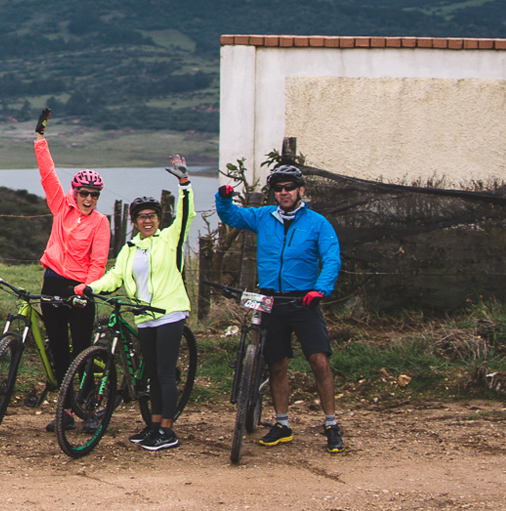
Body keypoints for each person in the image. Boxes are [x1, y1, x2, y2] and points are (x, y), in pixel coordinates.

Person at [216, 164, 345, 453]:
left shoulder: (317, 223)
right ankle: (283, 424)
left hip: (304, 300)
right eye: (279, 188)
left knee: (319, 361)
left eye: (289, 187)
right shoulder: (263, 217)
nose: (284, 192)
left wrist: (319, 290)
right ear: (274, 193)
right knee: (277, 363)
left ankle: (331, 423)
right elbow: (232, 216)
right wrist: (223, 199)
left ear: (301, 190)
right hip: (271, 299)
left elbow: (331, 258)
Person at [77, 158, 193, 451]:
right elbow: (115, 276)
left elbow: (186, 216)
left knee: (164, 373)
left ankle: (168, 431)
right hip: (144, 318)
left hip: (169, 313)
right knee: (153, 373)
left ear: (158, 218)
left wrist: (184, 185)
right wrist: (90, 287)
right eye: (142, 217)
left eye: (152, 215)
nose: (148, 220)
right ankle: (154, 425)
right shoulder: (129, 250)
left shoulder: (169, 239)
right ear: (135, 221)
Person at [34, 116, 108, 430]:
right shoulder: (61, 208)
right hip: (53, 280)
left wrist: (86, 289)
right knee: (59, 349)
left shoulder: (101, 223)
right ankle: (64, 412)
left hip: (81, 287)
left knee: (83, 349)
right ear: (74, 193)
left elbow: (99, 262)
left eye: (94, 195)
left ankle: (88, 409)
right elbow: (48, 173)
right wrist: (40, 138)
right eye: (84, 194)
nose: (89, 199)